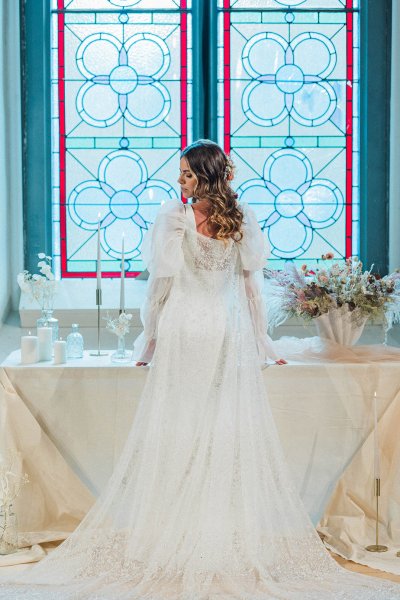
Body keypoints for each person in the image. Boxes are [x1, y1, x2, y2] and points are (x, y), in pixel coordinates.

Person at [0, 140, 398, 599]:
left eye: (187, 174)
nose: (180, 181)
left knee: (178, 429)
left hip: (184, 329)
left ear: (206, 177)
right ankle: (214, 531)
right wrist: (261, 340)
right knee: (223, 429)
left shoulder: (176, 217)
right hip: (224, 329)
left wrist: (148, 340)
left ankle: (175, 533)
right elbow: (252, 289)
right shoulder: (240, 218)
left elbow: (160, 286)